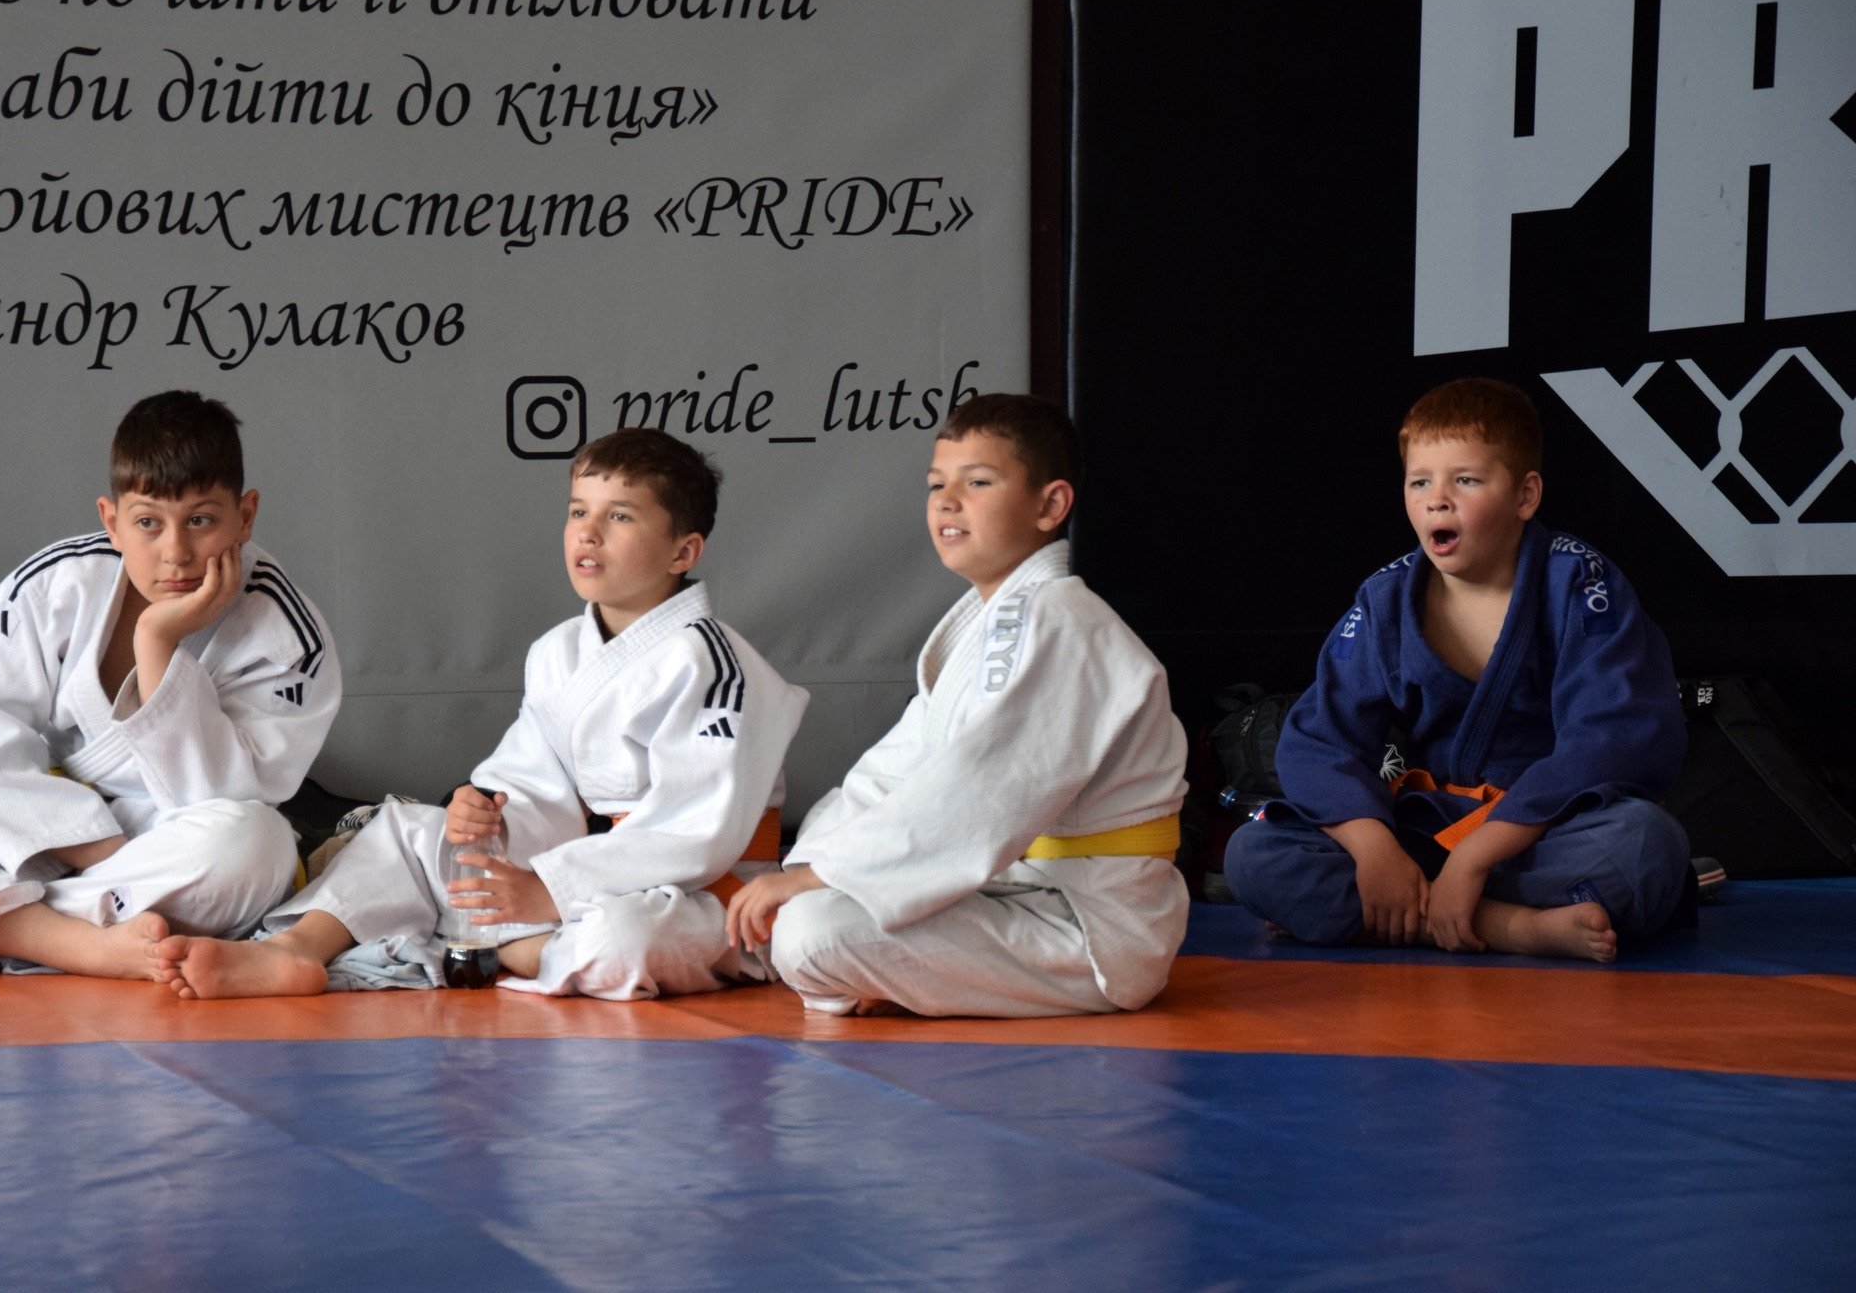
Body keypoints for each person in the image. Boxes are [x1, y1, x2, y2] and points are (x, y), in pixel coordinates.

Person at [152, 427, 807, 1001]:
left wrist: (550, 890)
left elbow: (698, 834)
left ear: (683, 552)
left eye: (620, 516)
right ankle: (297, 948)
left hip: (703, 895)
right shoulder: (559, 651)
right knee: (412, 831)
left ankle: (504, 949)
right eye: (579, 511)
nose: (588, 532)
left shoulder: (715, 666)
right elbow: (532, 781)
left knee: (621, 940)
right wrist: (486, 812)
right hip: (575, 873)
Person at [0, 390, 340, 978]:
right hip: (35, 840)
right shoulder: (53, 587)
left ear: (246, 515)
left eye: (201, 520)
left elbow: (215, 799)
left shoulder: (287, 633)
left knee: (254, 845)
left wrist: (157, 642)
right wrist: (100, 855)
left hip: (174, 844)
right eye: (148, 523)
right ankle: (61, 938)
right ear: (112, 522)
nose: (176, 553)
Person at [728, 393, 1190, 1018]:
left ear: (1050, 505)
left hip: (1086, 926)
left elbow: (981, 791)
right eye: (936, 484)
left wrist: (826, 877)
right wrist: (813, 866)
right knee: (806, 913)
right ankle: (884, 973)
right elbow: (889, 775)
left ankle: (881, 976)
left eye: (977, 482)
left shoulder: (1061, 624)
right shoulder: (989, 624)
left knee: (814, 934)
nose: (947, 501)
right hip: (1011, 893)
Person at [1225, 377, 1691, 962]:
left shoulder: (1579, 585)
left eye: (1465, 480)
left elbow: (1612, 738)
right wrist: (1375, 852)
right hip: (1425, 833)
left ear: (1525, 496)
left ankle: (1403, 913)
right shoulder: (1386, 599)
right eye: (1420, 481)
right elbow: (1320, 743)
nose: (1436, 500)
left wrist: (1475, 858)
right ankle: (1508, 927)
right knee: (1255, 854)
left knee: (1645, 847)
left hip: (1539, 833)